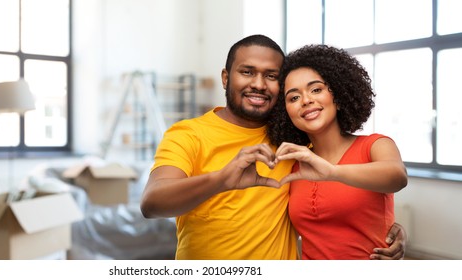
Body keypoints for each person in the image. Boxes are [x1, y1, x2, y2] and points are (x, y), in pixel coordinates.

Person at [141, 35, 405, 260]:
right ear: (225, 77)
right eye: (247, 71)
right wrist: (221, 179)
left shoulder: (293, 142)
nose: (258, 83)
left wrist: (384, 228)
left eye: (271, 76)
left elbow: (371, 181)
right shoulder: (188, 134)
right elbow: (152, 204)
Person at [267, 44, 408, 259]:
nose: (306, 100)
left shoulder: (375, 145)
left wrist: (332, 172)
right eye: (293, 97)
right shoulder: (293, 165)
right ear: (286, 113)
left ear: (339, 96)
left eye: (316, 89)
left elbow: (397, 178)